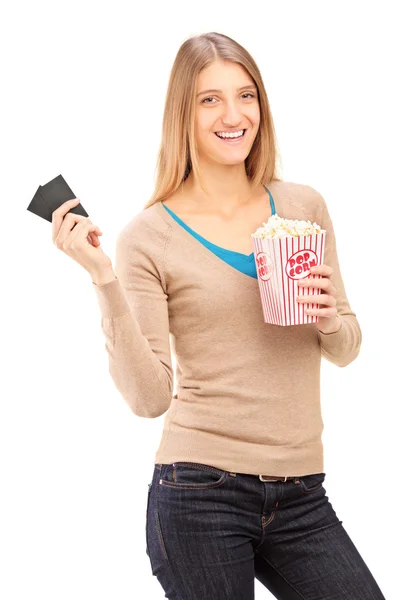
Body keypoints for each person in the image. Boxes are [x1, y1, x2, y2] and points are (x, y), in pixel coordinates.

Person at [52, 32, 386, 600]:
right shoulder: (149, 236)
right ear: (183, 112)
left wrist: (329, 318)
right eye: (210, 99)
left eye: (246, 95)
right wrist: (103, 278)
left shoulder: (304, 207)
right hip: (198, 490)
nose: (234, 115)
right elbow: (150, 398)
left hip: (303, 493)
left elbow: (347, 346)